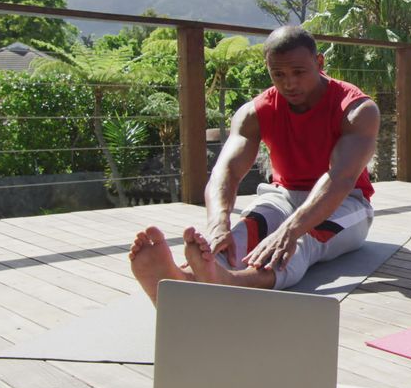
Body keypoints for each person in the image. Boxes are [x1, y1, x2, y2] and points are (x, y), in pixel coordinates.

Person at [129, 26, 380, 304]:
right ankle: (183, 279)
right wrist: (217, 225)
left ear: (319, 63)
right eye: (278, 74)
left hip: (347, 203)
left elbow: (339, 179)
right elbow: (226, 172)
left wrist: (289, 229)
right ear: (268, 69)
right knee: (241, 232)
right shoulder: (254, 112)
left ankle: (230, 281)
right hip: (283, 195)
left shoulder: (356, 110)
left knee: (300, 241)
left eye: (299, 72)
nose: (289, 84)